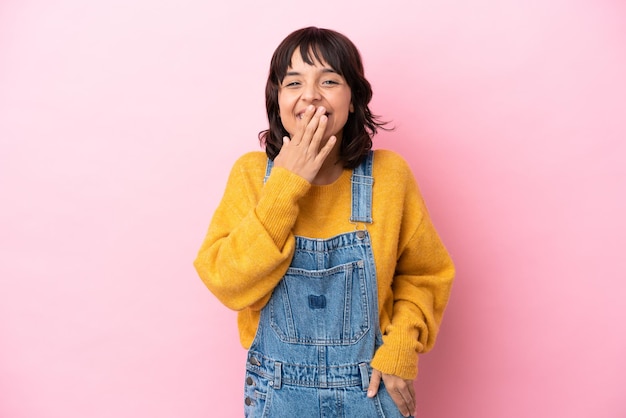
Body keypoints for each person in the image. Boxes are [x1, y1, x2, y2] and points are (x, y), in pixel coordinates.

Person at [194, 26, 455, 418]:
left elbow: (424, 274)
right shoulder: (252, 175)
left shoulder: (389, 176)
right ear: (278, 101)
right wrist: (288, 183)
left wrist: (402, 345)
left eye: (329, 80)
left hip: (370, 391)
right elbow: (229, 283)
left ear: (353, 100)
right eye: (293, 82)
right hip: (277, 395)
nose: (311, 94)